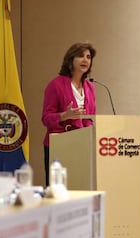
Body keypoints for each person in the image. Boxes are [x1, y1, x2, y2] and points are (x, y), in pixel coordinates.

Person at [41, 42, 97, 187]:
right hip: (60, 144)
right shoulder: (55, 85)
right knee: (58, 190)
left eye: (88, 57)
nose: (85, 60)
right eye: (80, 56)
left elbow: (90, 118)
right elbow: (46, 118)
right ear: (70, 60)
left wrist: (90, 132)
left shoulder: (90, 87)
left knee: (80, 187)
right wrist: (64, 116)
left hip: (82, 146)